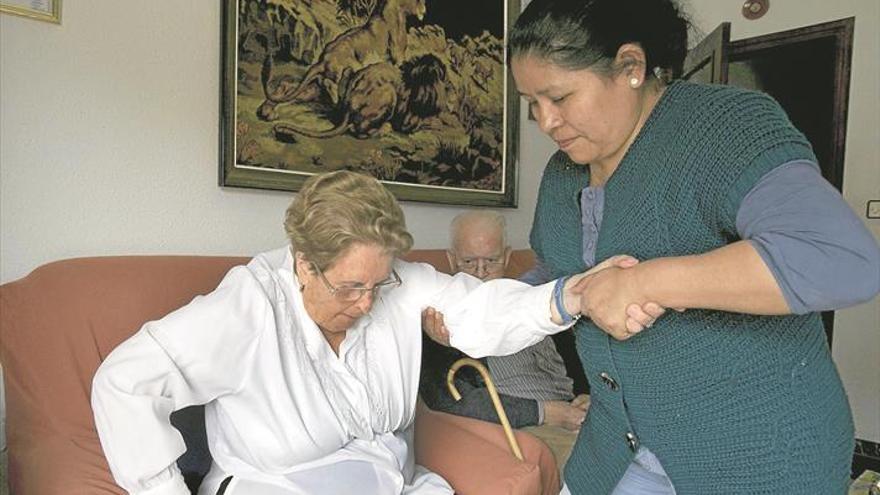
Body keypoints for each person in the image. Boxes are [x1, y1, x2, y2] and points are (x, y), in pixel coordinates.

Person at [433, 1, 880, 494]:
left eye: (559, 97)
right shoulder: (562, 174)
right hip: (619, 447)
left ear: (630, 67)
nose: (546, 121)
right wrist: (483, 310)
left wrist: (645, 281)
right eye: (531, 103)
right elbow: (560, 272)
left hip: (759, 452)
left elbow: (839, 257)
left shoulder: (724, 126)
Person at [90, 170, 654, 495]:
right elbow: (125, 382)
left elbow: (479, 310)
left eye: (377, 285)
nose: (366, 304)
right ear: (304, 264)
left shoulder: (395, 284)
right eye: (349, 288)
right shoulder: (247, 307)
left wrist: (570, 295)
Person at [419, 210, 588, 468]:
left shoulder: (536, 301)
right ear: (451, 260)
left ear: (507, 256)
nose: (480, 272)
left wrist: (586, 395)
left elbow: (579, 363)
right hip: (525, 425)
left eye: (491, 260)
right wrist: (546, 413)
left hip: (579, 415)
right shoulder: (435, 320)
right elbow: (453, 401)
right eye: (468, 262)